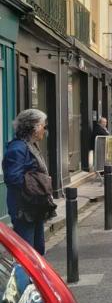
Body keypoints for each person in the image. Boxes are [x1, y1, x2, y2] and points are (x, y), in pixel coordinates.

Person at [2, 109, 54, 255]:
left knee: (37, 250)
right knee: (27, 253)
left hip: (34, 206)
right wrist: (38, 183)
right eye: (43, 126)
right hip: (24, 209)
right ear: (34, 127)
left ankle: (34, 278)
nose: (44, 129)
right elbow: (13, 178)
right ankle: (27, 278)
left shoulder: (30, 145)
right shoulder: (17, 148)